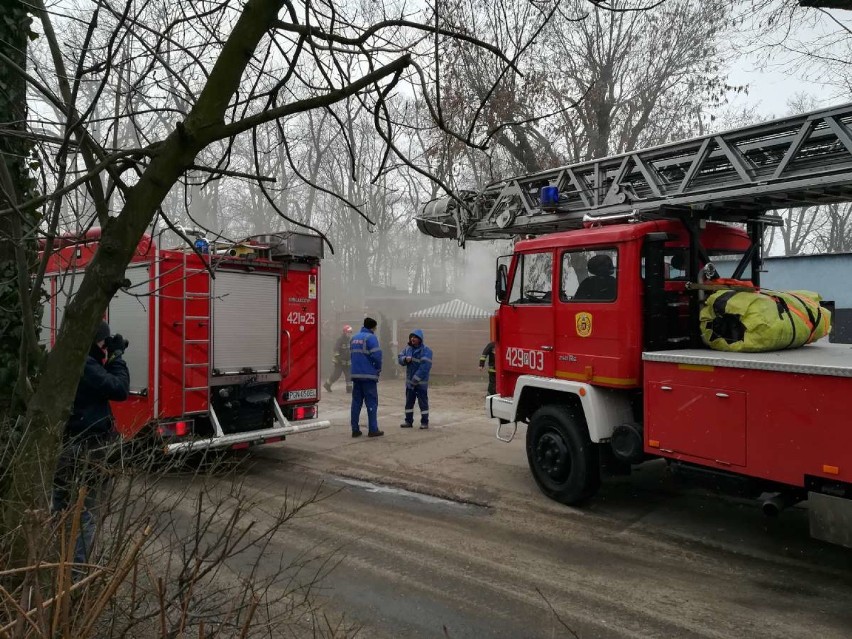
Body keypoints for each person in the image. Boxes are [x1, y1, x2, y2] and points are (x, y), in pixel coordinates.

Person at [52, 320, 129, 579]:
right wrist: (117, 356)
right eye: (102, 342)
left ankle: (56, 564)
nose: (104, 347)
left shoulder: (67, 358)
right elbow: (118, 389)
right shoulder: (84, 363)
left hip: (67, 446)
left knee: (62, 507)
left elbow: (99, 383)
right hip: (85, 449)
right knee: (84, 512)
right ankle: (76, 577)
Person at [349, 317, 384, 438]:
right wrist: (378, 369)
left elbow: (352, 355)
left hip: (355, 375)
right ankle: (373, 429)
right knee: (371, 403)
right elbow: (377, 356)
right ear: (373, 327)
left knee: (356, 403)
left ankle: (355, 429)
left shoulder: (354, 338)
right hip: (368, 376)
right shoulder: (371, 338)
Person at [398, 329, 433, 429]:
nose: (412, 339)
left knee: (423, 404)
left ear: (420, 339)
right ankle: (408, 421)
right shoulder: (408, 349)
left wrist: (414, 380)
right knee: (409, 403)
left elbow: (424, 368)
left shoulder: (426, 351)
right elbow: (399, 357)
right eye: (411, 337)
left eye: (415, 337)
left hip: (421, 384)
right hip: (410, 384)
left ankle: (424, 422)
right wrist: (405, 359)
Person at [324, 325, 353, 393]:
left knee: (349, 376)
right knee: (336, 375)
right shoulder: (340, 340)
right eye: (348, 332)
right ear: (344, 332)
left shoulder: (350, 340)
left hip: (347, 362)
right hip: (339, 362)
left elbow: (350, 350)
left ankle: (349, 389)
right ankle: (327, 385)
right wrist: (340, 360)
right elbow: (336, 350)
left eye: (350, 332)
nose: (349, 333)